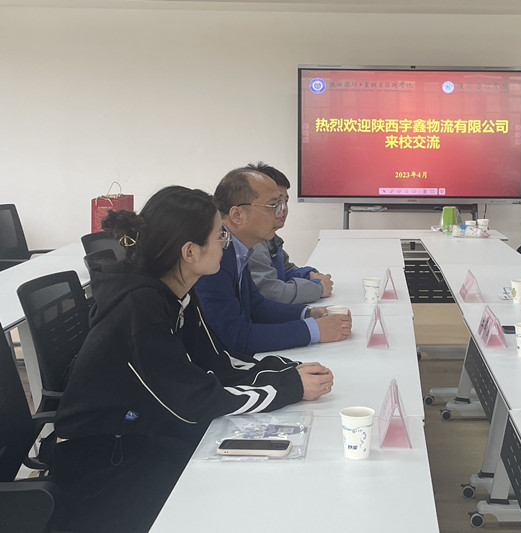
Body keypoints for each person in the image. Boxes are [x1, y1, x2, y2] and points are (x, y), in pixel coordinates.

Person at [53, 186, 334, 532]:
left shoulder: (179, 293)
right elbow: (194, 403)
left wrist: (285, 371)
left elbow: (218, 363)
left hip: (143, 434)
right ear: (189, 251)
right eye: (220, 236)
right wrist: (289, 387)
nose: (226, 244)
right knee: (236, 497)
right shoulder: (138, 309)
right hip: (103, 466)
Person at [194, 167, 351, 355]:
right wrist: (314, 330)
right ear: (237, 215)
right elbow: (237, 338)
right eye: (272, 205)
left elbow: (257, 307)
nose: (280, 213)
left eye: (283, 203)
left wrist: (308, 313)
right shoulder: (213, 257)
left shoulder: (238, 247)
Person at [246, 162, 334, 304]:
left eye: (285, 201)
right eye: (275, 203)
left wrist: (309, 275)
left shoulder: (270, 237)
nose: (283, 209)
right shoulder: (251, 242)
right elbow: (270, 292)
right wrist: (317, 288)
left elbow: (285, 271)